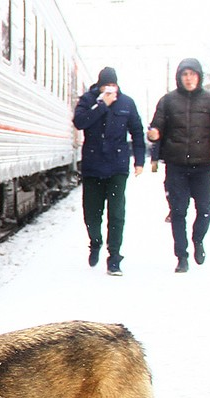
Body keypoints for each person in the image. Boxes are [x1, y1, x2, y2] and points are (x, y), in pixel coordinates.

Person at [147, 58, 210, 273]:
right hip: (176, 166)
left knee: (205, 210)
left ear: (199, 77)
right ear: (179, 77)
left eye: (192, 74)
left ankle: (198, 239)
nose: (189, 78)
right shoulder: (168, 101)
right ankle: (181, 256)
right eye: (185, 74)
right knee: (178, 211)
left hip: (202, 166)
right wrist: (154, 134)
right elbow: (157, 125)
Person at [73, 66, 146, 275]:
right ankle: (95, 242)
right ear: (99, 86)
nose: (110, 90)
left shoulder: (127, 103)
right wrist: (101, 106)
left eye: (113, 86)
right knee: (92, 213)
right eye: (106, 86)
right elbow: (79, 123)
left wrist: (139, 160)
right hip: (93, 166)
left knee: (116, 213)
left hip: (117, 166)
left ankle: (114, 257)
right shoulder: (88, 100)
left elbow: (137, 132)